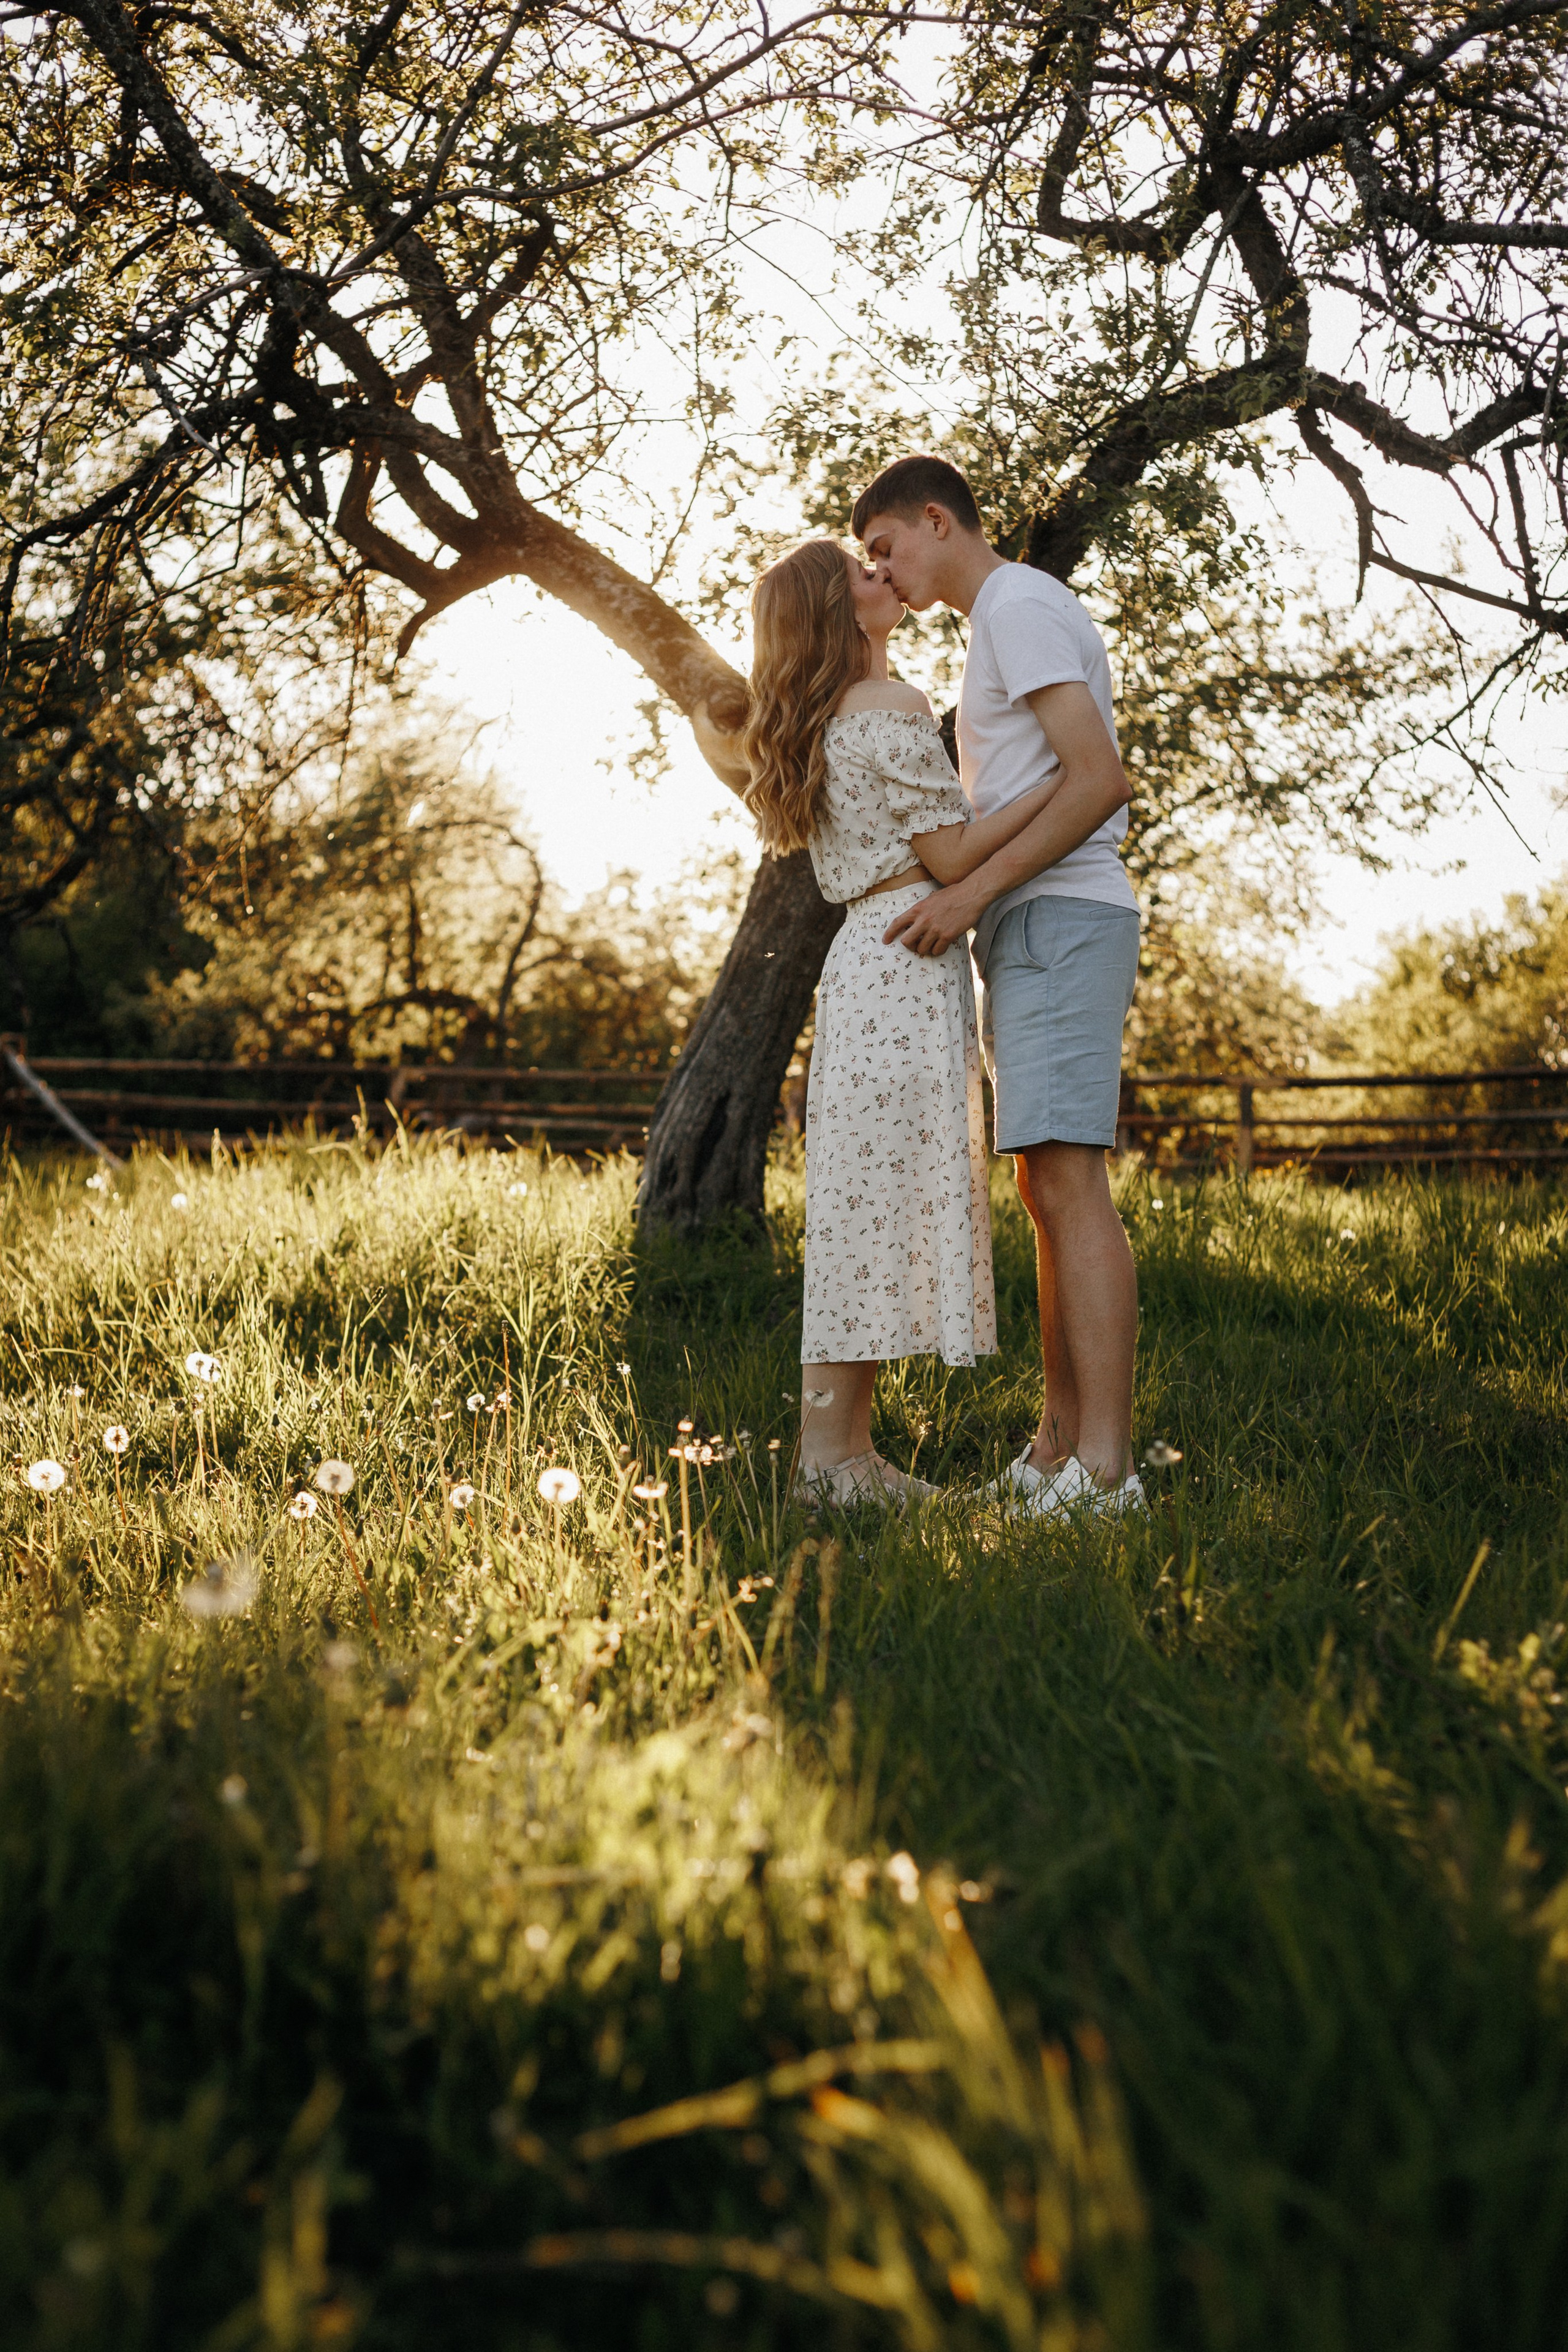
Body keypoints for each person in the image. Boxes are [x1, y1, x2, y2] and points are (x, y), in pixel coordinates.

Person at [741, 538, 1065, 1505]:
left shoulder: (836, 717)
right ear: (840, 615)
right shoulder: (888, 706)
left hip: (863, 960)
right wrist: (1055, 789)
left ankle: (835, 1455)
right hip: (906, 955)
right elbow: (954, 849)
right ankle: (834, 1462)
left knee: (859, 1205)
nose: (884, 577)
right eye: (862, 574)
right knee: (872, 1203)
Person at [851, 456, 1147, 1518]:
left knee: (1071, 1184)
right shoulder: (1001, 620)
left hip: (1064, 914)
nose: (882, 569)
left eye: (887, 546)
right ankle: (1055, 1449)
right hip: (1037, 920)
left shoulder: (1016, 605)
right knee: (1042, 1187)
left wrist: (968, 893)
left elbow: (1098, 775)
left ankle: (1107, 1475)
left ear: (937, 519)